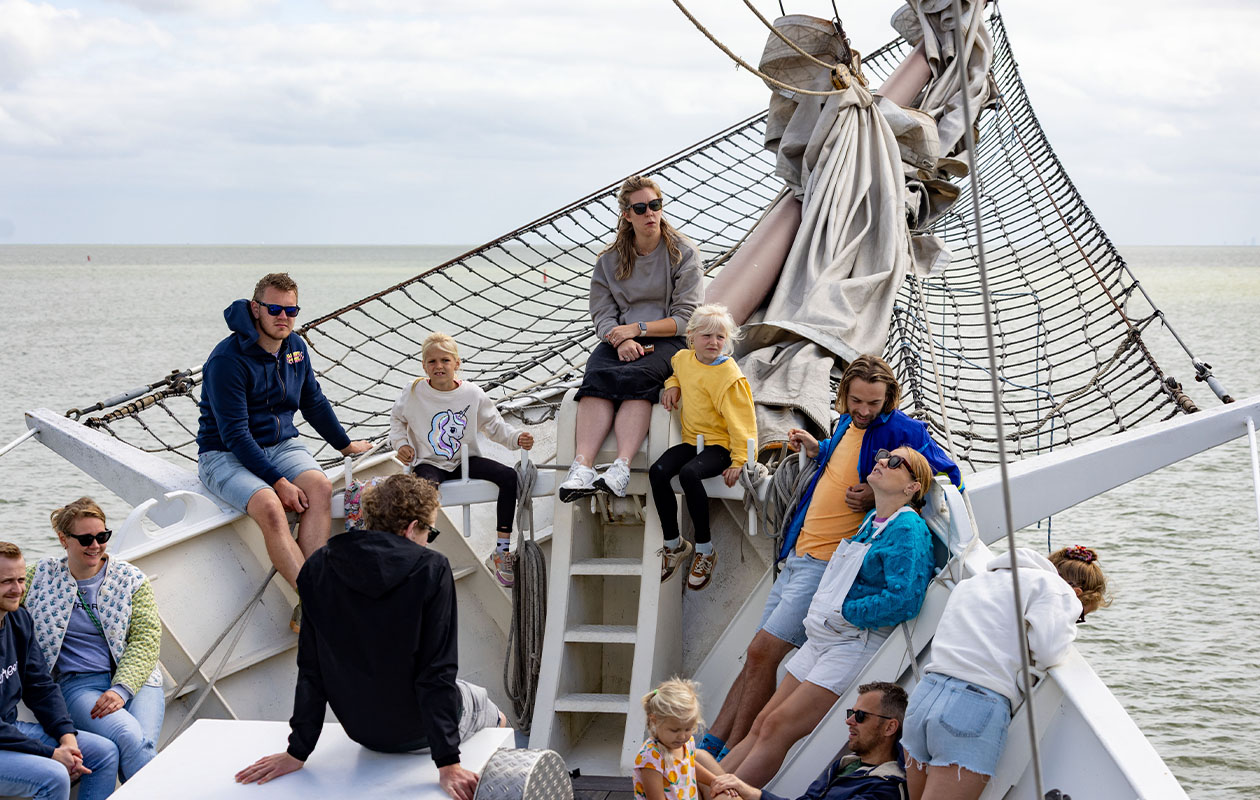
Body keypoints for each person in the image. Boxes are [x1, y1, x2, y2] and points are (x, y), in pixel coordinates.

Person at [699, 355, 960, 760]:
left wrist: (876, 495)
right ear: (844, 395)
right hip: (800, 550)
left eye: (874, 403)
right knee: (756, 651)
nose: (864, 411)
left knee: (762, 653)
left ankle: (725, 748)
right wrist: (817, 448)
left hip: (826, 565)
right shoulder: (844, 424)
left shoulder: (903, 431)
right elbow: (844, 457)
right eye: (856, 401)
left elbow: (946, 475)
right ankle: (717, 744)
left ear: (888, 398)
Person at [235, 473, 506, 800]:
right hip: (417, 730)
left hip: (361, 731)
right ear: (411, 528)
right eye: (428, 533)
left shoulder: (318, 565)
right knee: (488, 706)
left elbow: (311, 668)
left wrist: (297, 752)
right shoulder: (431, 569)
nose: (426, 542)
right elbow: (435, 674)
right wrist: (448, 764)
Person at [717, 448, 936, 786]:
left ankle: (722, 794)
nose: (881, 461)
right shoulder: (873, 521)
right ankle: (703, 788)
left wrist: (846, 612)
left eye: (895, 463)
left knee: (778, 727)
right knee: (763, 721)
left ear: (912, 488)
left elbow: (904, 599)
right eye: (882, 455)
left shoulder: (908, 528)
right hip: (826, 637)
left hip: (853, 642)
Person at [196, 272, 371, 617]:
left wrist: (344, 445)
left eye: (291, 311)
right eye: (274, 309)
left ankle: (314, 591)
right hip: (225, 454)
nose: (283, 318)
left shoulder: (295, 347)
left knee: (320, 487)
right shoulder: (227, 361)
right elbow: (235, 434)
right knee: (271, 508)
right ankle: (314, 600)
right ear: (255, 308)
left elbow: (313, 401)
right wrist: (279, 483)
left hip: (281, 443)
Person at [902, 545, 1109, 800]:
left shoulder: (979, 580)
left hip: (925, 695)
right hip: (971, 709)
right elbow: (1049, 651)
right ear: (1077, 593)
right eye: (1080, 616)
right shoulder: (1058, 590)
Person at [557, 175, 703, 502]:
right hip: (619, 337)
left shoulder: (683, 253)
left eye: (655, 205)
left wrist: (636, 330)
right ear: (627, 215)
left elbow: (685, 319)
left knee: (640, 377)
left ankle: (621, 467)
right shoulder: (609, 260)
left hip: (667, 337)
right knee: (597, 376)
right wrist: (620, 339)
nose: (650, 213)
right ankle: (582, 467)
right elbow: (602, 311)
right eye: (641, 208)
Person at [22, 498, 164, 784]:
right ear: (64, 539)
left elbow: (146, 638)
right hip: (78, 684)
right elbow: (6, 594)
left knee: (141, 742)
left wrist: (121, 689)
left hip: (138, 680)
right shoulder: (40, 577)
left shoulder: (131, 579)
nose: (95, 546)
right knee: (129, 736)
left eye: (102, 537)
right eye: (86, 539)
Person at [389, 332, 535, 587]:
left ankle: (501, 550)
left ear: (457, 363)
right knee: (424, 490)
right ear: (424, 366)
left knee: (509, 477)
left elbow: (494, 426)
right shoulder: (413, 392)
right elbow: (397, 421)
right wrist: (401, 444)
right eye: (432, 362)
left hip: (465, 461)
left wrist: (516, 438)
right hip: (429, 461)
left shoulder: (472, 394)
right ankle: (416, 549)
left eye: (445, 360)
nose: (439, 366)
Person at [0, 541, 119, 800]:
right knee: (54, 776)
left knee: (104, 752)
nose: (17, 589)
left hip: (9, 731)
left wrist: (67, 739)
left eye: (21, 579)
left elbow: (40, 686)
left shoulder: (19, 620)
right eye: (6, 582)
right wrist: (52, 754)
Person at [650, 303, 757, 590]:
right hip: (692, 441)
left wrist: (739, 461)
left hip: (721, 446)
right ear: (692, 337)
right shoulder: (683, 359)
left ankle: (705, 550)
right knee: (657, 471)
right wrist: (673, 385)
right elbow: (677, 371)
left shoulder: (729, 377)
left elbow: (743, 423)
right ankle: (674, 544)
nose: (714, 342)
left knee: (688, 474)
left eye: (720, 337)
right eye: (707, 336)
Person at [709, 682, 910, 800]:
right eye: (851, 713)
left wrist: (754, 794)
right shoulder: (846, 764)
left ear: (890, 727)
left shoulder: (887, 788)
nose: (849, 721)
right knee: (702, 761)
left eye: (860, 716)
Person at [632, 678, 726, 800]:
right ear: (655, 720)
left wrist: (714, 781)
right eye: (674, 730)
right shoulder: (651, 757)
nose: (682, 736)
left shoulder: (687, 743)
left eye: (688, 729)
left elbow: (689, 766)